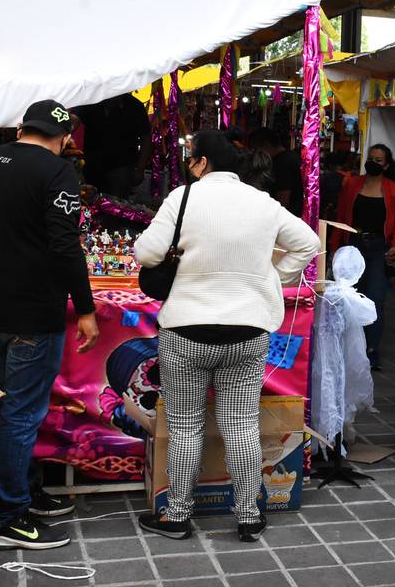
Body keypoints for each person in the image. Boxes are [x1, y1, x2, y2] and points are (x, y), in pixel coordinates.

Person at [133, 130, 319, 543]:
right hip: (247, 330)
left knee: (185, 427)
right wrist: (274, 277)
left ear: (202, 162)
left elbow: (146, 254)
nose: (189, 164)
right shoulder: (262, 202)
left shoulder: (182, 198)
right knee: (241, 426)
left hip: (185, 330)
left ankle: (177, 516)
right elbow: (308, 243)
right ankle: (249, 515)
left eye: (191, 158)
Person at [0, 100, 100, 551]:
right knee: (22, 412)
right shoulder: (57, 172)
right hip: (35, 310)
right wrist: (85, 308)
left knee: (18, 406)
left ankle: (26, 492)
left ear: (21, 128)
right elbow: (65, 245)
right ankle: (10, 518)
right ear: (65, 138)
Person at [332, 144, 395, 369]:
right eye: (370, 158)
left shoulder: (393, 189)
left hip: (379, 248)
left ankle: (371, 350)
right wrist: (334, 248)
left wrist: (394, 246)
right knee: (349, 297)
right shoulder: (352, 184)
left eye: (378, 160)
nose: (373, 162)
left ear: (387, 165)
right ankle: (347, 348)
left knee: (375, 299)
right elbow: (341, 216)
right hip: (353, 245)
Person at [71, 94, 152, 198]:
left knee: (116, 203)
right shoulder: (90, 100)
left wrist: (140, 169)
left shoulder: (134, 105)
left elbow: (146, 138)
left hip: (121, 168)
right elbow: (72, 124)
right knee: (91, 200)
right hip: (92, 165)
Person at [248, 127, 304, 216]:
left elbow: (283, 199)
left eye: (255, 149)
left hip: (288, 216)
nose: (255, 154)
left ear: (265, 145)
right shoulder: (291, 157)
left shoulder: (282, 163)